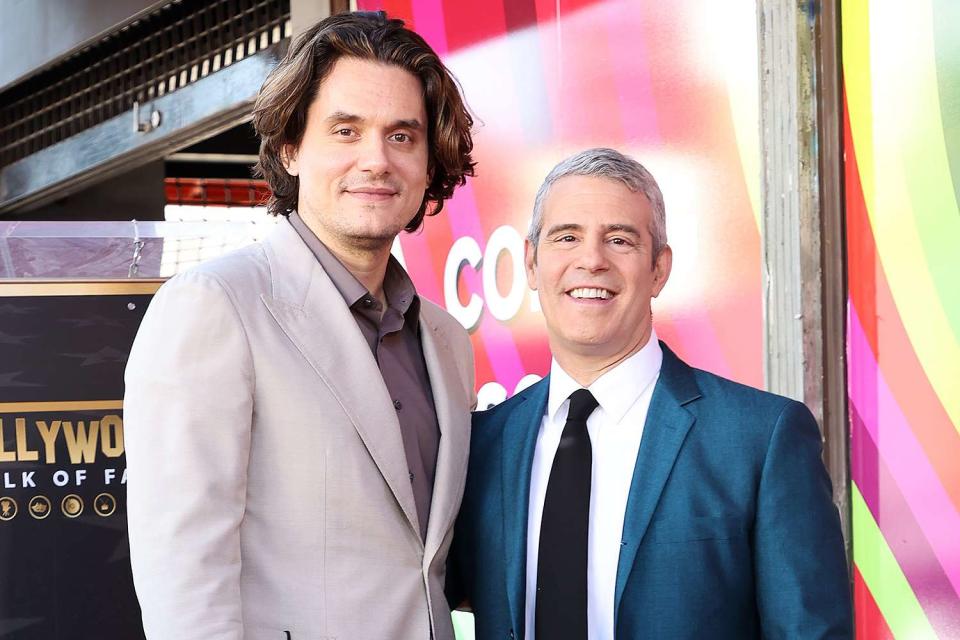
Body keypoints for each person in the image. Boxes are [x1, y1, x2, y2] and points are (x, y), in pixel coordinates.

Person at [124, 11, 476, 639]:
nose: (376, 160)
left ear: (429, 163)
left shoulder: (445, 340)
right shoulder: (215, 306)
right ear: (290, 148)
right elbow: (185, 575)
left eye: (402, 136)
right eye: (346, 130)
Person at [449, 148, 852, 639]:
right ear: (532, 264)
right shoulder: (481, 446)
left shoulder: (760, 439)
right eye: (567, 237)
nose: (591, 260)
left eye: (620, 240)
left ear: (659, 269)